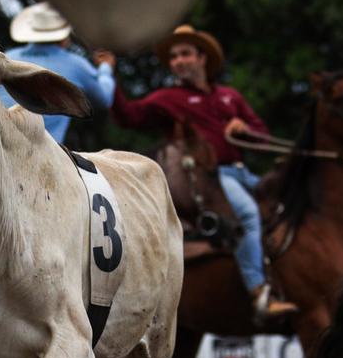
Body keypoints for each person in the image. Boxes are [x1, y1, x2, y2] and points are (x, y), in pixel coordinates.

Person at [96, 25, 296, 321]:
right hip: (214, 180)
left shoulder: (230, 97)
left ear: (203, 58)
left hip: (243, 172)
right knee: (248, 216)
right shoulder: (168, 98)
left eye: (185, 54)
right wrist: (107, 74)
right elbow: (128, 116)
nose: (178, 61)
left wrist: (245, 130)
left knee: (289, 203)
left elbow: (263, 137)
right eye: (174, 57)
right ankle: (258, 293)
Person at [0, 2, 115, 143]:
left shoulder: (7, 57)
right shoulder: (74, 64)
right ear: (64, 36)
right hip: (43, 158)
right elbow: (103, 100)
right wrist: (105, 68)